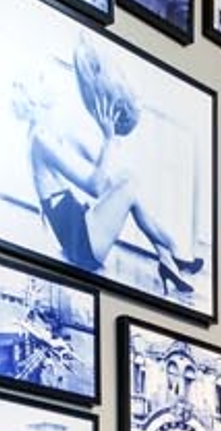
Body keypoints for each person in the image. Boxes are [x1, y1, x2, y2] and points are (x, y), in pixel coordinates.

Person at [20, 40, 202, 299]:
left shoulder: (47, 133)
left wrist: (109, 139)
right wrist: (109, 139)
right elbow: (95, 186)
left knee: (125, 181)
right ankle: (173, 250)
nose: (49, 82)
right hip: (81, 245)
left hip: (80, 233)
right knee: (129, 183)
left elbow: (101, 178)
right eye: (41, 79)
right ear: (33, 95)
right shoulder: (41, 138)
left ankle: (167, 257)